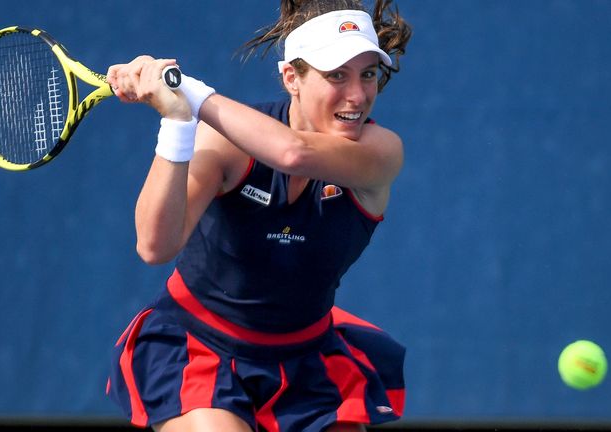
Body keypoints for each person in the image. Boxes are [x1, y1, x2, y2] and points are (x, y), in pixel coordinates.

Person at [105, 1, 412, 431]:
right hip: (199, 351)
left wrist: (192, 94)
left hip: (309, 362)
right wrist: (177, 122)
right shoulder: (224, 145)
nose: (357, 95)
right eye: (336, 75)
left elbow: (293, 153)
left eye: (368, 74)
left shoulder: (379, 153)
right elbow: (155, 246)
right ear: (292, 78)